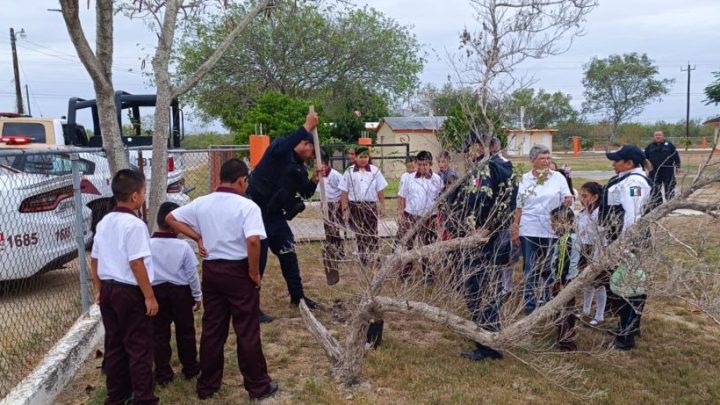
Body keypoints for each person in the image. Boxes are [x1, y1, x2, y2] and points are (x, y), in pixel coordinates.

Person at [166, 158, 278, 400]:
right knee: (246, 330)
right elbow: (253, 241)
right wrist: (254, 271)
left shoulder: (202, 203)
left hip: (212, 271)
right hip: (238, 271)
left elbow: (171, 219)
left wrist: (198, 237)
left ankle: (207, 385)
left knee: (213, 330)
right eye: (246, 181)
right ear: (242, 180)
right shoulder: (247, 206)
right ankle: (258, 386)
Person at [90, 169, 158, 405]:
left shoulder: (104, 221)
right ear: (135, 197)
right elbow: (137, 262)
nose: (144, 196)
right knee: (139, 347)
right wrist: (149, 296)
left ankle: (116, 396)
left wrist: (99, 289)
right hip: (130, 292)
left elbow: (94, 260)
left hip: (108, 290)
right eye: (144, 191)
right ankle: (143, 398)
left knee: (115, 344)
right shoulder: (135, 224)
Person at [245, 113, 321, 322]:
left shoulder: (299, 168)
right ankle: (252, 307)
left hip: (275, 217)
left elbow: (305, 192)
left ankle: (298, 297)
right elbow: (286, 144)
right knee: (257, 261)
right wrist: (306, 125)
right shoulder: (279, 149)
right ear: (305, 143)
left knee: (289, 254)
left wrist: (314, 180)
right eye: (312, 151)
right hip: (256, 212)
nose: (312, 156)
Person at [446, 132, 515, 361]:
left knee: (480, 290)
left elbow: (481, 203)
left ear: (486, 147)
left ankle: (488, 345)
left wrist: (480, 230)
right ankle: (487, 336)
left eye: (472, 149)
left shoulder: (489, 169)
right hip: (485, 239)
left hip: (481, 240)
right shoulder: (502, 167)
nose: (469, 154)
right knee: (483, 289)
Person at [600, 144, 652, 350]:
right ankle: (626, 325)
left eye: (617, 160)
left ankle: (627, 335)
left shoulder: (635, 182)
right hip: (620, 239)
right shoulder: (627, 178)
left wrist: (624, 245)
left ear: (629, 163)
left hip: (630, 241)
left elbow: (633, 215)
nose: (613, 164)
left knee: (630, 286)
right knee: (623, 283)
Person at [511, 145, 573, 314]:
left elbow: (568, 199)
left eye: (548, 158)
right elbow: (519, 206)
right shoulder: (524, 179)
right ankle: (530, 304)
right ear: (533, 161)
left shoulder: (558, 177)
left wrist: (568, 201)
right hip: (529, 228)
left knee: (548, 267)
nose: (546, 161)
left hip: (550, 229)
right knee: (530, 267)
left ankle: (547, 299)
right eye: (542, 158)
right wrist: (515, 227)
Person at [150, 201, 201, 386]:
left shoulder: (148, 244)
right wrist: (197, 296)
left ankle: (163, 374)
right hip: (180, 293)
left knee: (159, 334)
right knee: (186, 331)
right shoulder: (183, 247)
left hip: (156, 293)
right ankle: (191, 368)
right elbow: (192, 274)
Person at [397, 150, 443, 281]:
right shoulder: (409, 178)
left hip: (430, 218)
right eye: (420, 164)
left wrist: (438, 219)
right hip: (411, 215)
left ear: (431, 164)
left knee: (427, 245)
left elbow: (441, 199)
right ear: (416, 164)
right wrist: (401, 215)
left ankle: (428, 274)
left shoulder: (437, 180)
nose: (422, 167)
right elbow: (401, 197)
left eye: (425, 164)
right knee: (408, 244)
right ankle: (406, 273)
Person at [339, 146, 387, 267]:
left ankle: (375, 257)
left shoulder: (375, 171)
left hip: (370, 206)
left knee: (372, 232)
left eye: (366, 157)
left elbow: (380, 189)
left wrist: (382, 205)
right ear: (355, 157)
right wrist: (345, 208)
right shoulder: (349, 171)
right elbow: (344, 192)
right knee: (359, 232)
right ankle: (363, 257)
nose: (364, 159)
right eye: (361, 157)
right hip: (355, 206)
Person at [547, 206, 581, 351]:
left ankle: (565, 342)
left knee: (561, 312)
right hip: (572, 280)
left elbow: (563, 263)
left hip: (564, 281)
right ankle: (568, 336)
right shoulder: (574, 237)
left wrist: (559, 282)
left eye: (554, 223)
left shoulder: (565, 240)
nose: (552, 226)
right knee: (569, 309)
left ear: (565, 222)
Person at [577, 182, 606, 326]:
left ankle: (599, 314)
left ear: (595, 197)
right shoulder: (583, 212)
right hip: (584, 247)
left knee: (598, 283)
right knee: (586, 281)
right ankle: (585, 310)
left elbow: (599, 233)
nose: (582, 199)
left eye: (585, 196)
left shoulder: (599, 213)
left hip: (597, 249)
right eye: (581, 195)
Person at [320, 150, 345, 283]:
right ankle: (331, 251)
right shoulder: (319, 175)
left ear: (327, 163)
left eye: (322, 164)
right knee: (327, 229)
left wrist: (339, 204)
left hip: (334, 205)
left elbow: (343, 190)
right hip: (325, 205)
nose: (320, 166)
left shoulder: (335, 175)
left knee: (335, 230)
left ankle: (340, 253)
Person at [645, 130, 680, 208]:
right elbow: (645, 158)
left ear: (663, 136)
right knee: (654, 188)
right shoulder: (649, 146)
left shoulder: (669, 145)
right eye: (656, 135)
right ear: (654, 137)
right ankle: (657, 206)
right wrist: (644, 168)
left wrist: (678, 166)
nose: (658, 136)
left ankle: (671, 206)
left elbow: (676, 156)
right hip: (654, 171)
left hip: (668, 170)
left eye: (659, 135)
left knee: (669, 187)